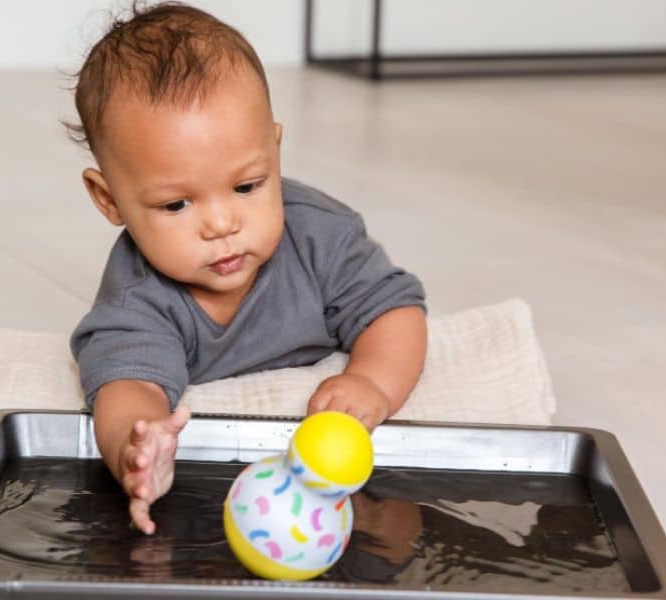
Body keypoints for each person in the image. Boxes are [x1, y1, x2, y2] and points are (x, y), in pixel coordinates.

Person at [67, 2, 427, 535]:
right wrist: (137, 446)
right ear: (109, 199)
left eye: (246, 186)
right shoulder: (140, 294)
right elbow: (126, 386)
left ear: (274, 153)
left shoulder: (319, 235)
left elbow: (394, 311)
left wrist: (371, 380)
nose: (222, 223)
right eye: (175, 205)